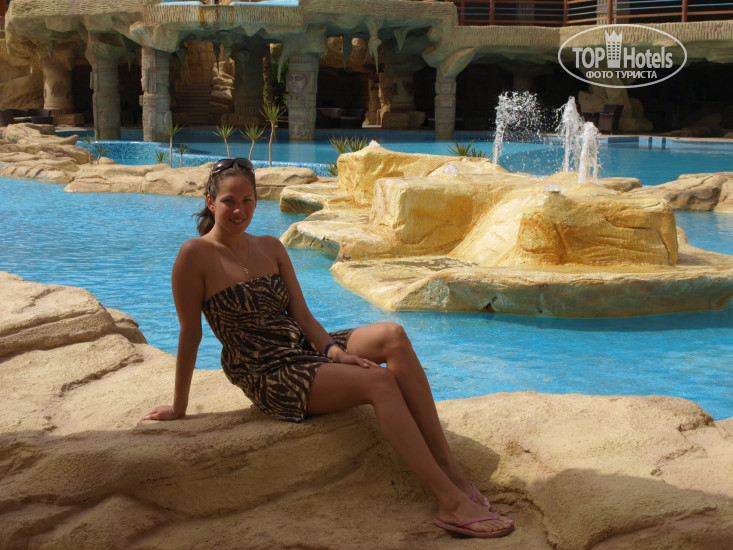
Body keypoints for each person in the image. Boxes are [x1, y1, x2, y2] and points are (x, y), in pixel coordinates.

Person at [141, 158, 514, 539]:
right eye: (229, 201)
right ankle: (450, 503)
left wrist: (334, 353)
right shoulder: (194, 255)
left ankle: (450, 467)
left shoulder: (270, 246)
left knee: (393, 335)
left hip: (301, 345)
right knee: (379, 382)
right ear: (210, 202)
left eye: (247, 200)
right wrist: (179, 407)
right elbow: (190, 335)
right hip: (267, 372)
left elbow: (302, 316)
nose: (239, 211)